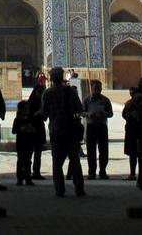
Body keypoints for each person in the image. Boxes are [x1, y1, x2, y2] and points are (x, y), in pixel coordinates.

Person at [41, 66, 85, 197]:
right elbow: (79, 108)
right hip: (71, 130)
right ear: (62, 78)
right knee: (75, 160)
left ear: (51, 78)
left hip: (56, 130)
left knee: (57, 162)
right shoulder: (71, 92)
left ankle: (60, 190)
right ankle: (79, 189)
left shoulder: (47, 93)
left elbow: (44, 113)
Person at [82, 80, 113, 179]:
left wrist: (104, 113)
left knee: (103, 150)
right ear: (92, 89)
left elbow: (111, 113)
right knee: (91, 150)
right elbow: (81, 112)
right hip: (91, 126)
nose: (97, 91)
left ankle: (102, 171)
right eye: (95, 89)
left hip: (102, 126)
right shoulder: (87, 100)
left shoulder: (105, 100)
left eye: (99, 89)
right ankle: (91, 172)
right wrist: (88, 114)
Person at [12, 100, 36, 185]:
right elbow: (14, 131)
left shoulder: (31, 119)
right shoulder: (17, 120)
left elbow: (34, 130)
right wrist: (22, 129)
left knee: (28, 161)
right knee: (21, 161)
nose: (28, 109)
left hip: (29, 142)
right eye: (26, 108)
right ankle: (20, 179)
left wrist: (30, 129)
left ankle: (28, 179)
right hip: (21, 142)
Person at [26, 80, 47, 179]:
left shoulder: (42, 102)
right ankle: (27, 172)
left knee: (38, 152)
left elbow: (45, 116)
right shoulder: (32, 102)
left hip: (39, 128)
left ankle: (36, 172)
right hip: (32, 128)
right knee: (30, 152)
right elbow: (29, 115)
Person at [122, 86, 138, 179]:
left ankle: (133, 173)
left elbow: (124, 115)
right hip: (132, 130)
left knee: (134, 154)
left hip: (134, 130)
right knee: (134, 154)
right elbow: (124, 115)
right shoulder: (129, 104)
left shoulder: (129, 103)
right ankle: (133, 173)